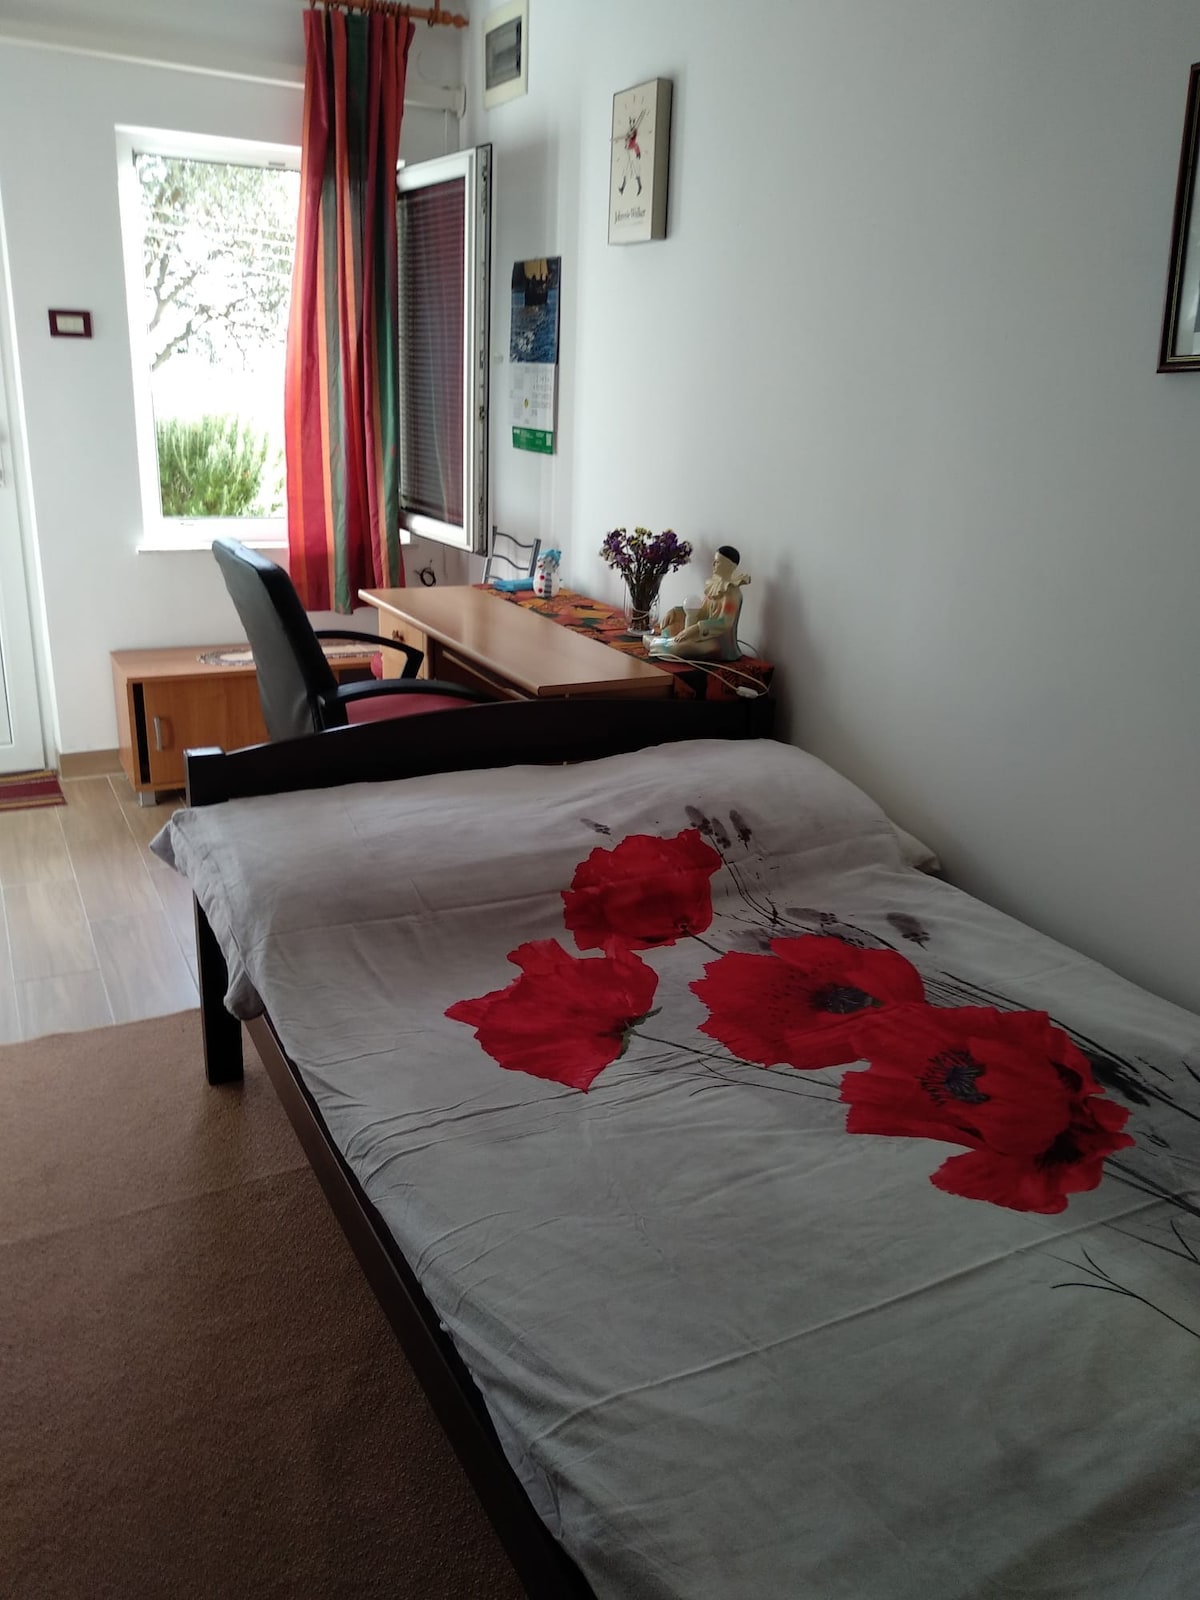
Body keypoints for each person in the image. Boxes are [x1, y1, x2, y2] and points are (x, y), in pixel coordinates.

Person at [652, 545, 749, 662]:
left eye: (717, 562)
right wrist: (675, 611)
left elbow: (725, 623)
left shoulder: (732, 593)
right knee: (671, 625)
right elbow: (702, 611)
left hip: (718, 642)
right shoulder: (715, 586)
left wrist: (696, 629)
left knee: (684, 647)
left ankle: (656, 643)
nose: (713, 565)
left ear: (729, 566)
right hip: (704, 634)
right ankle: (663, 643)